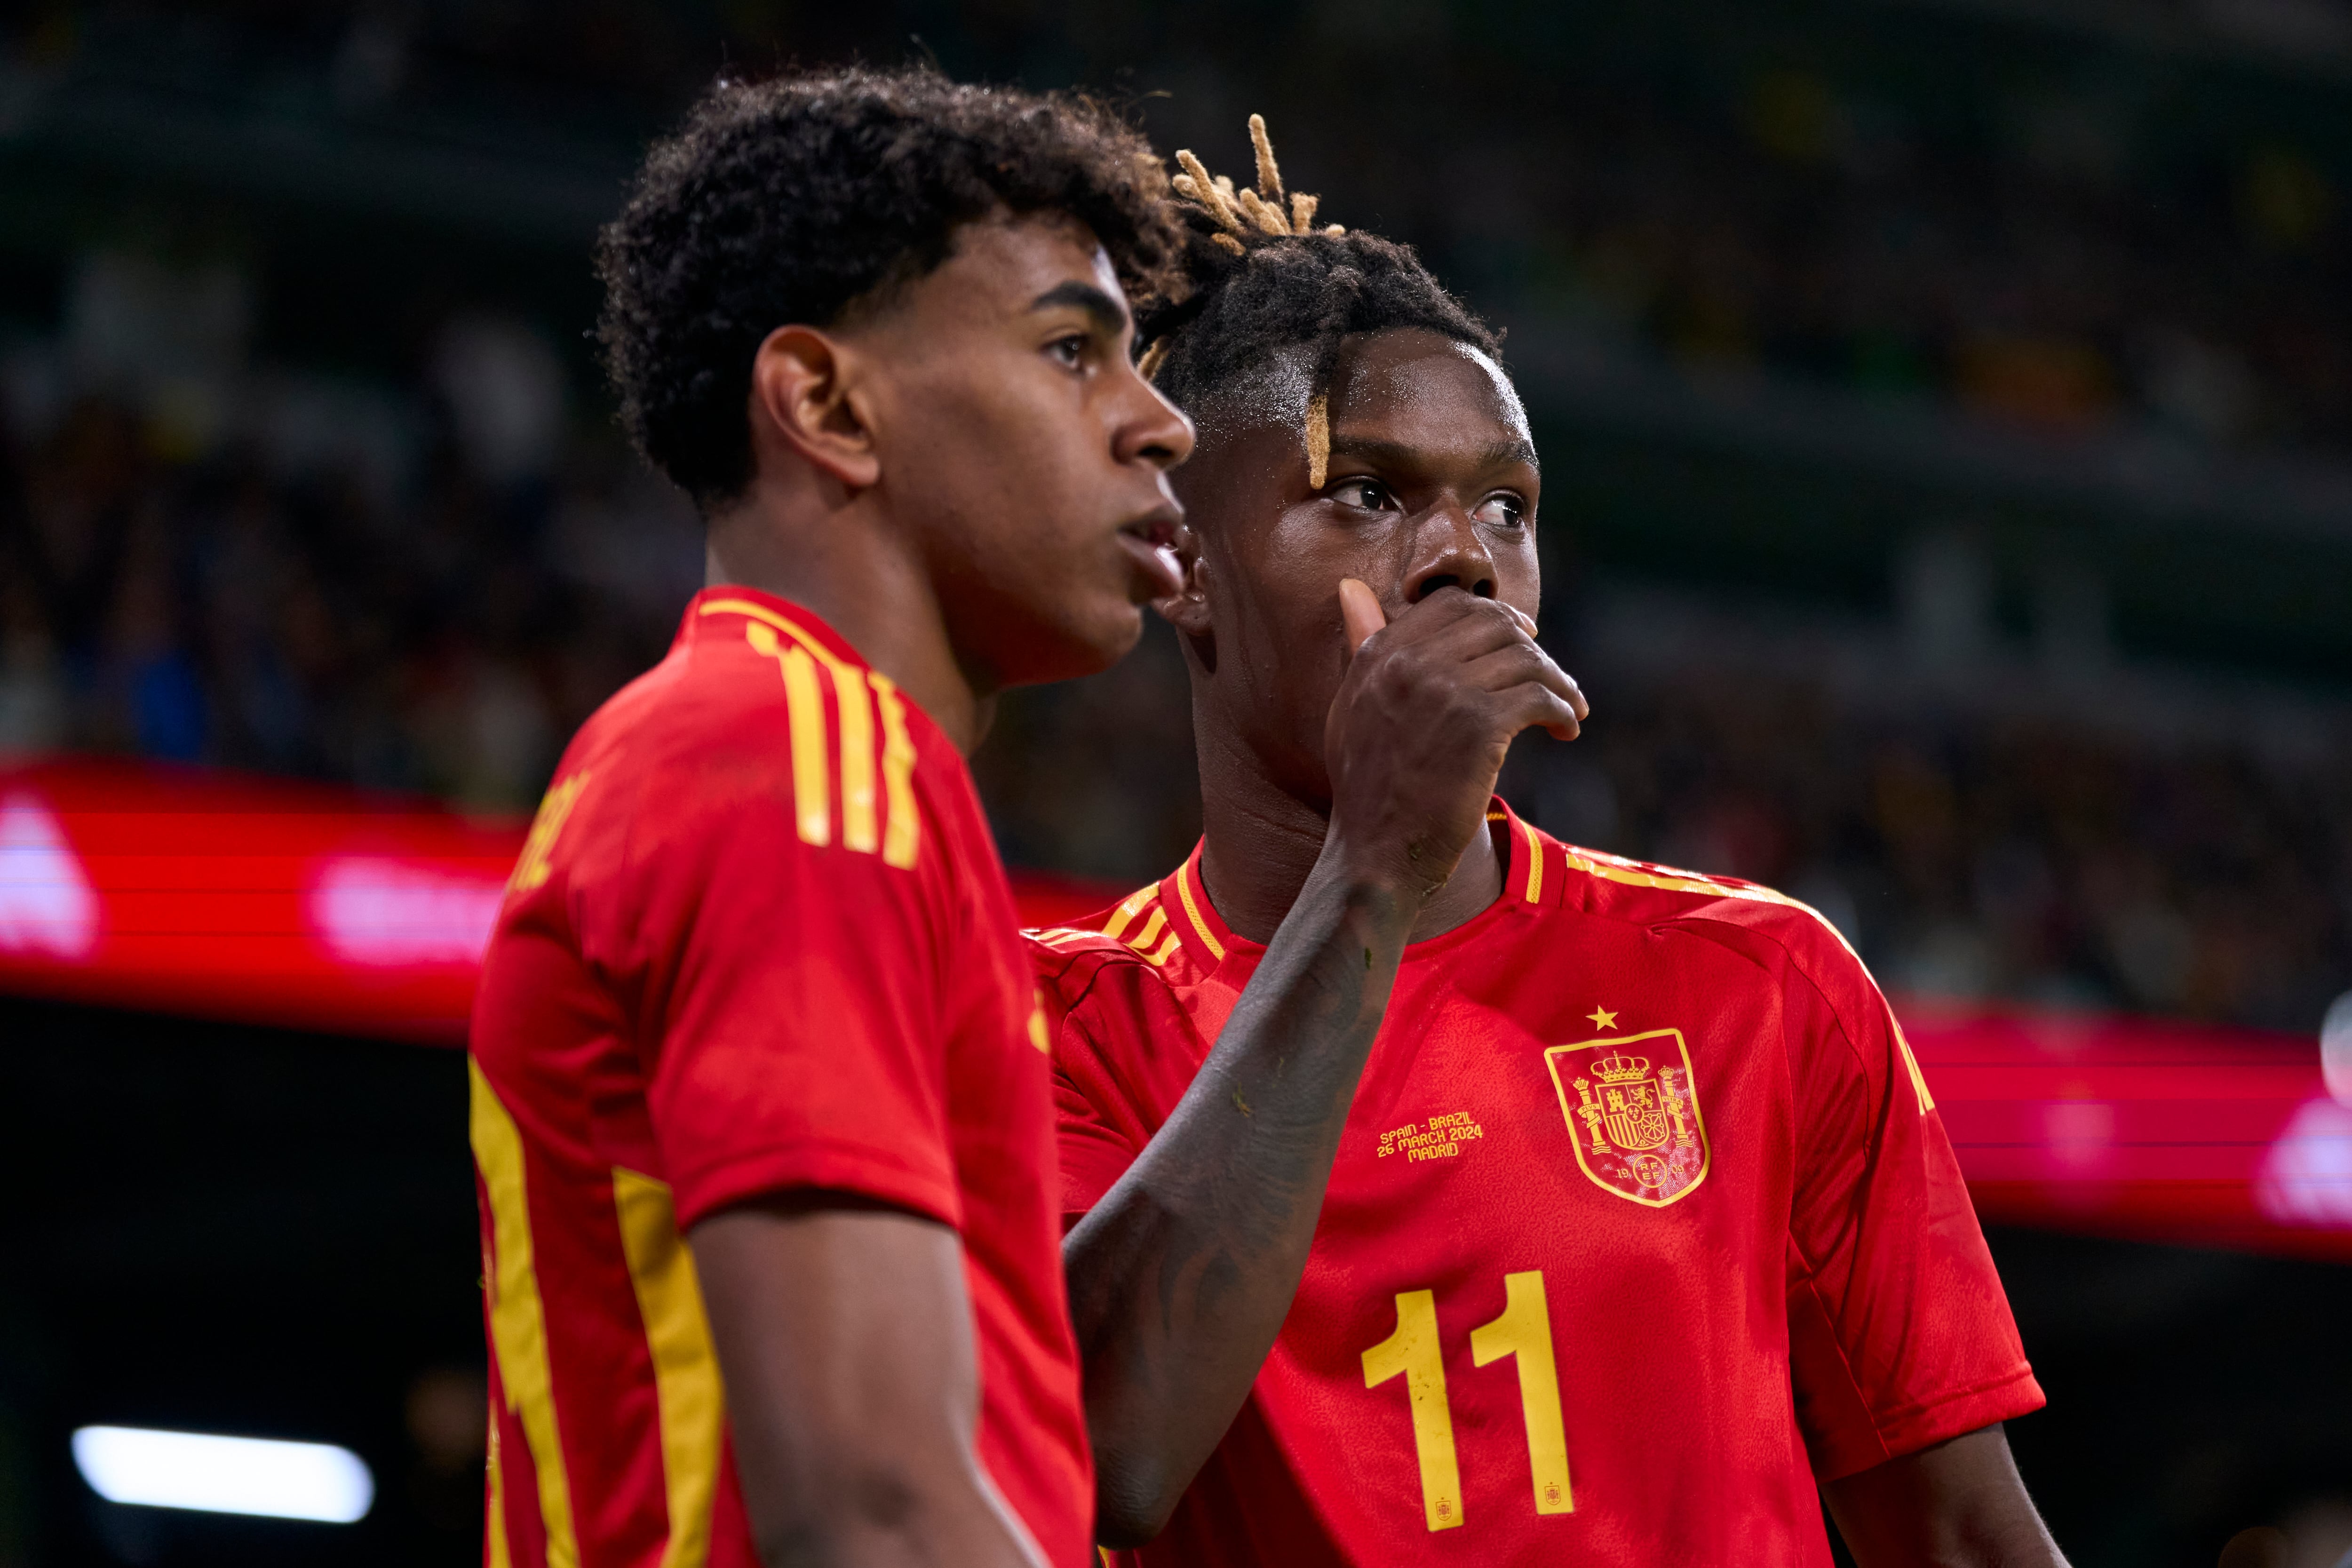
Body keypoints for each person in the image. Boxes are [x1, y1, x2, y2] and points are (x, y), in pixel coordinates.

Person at [1030, 120, 2066, 1568]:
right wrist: (1376, 872)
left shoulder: (1762, 984)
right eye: (1370, 494)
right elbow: (1106, 1458)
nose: (1463, 555)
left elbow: (1961, 1540)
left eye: (1506, 506)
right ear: (1186, 567)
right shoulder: (1056, 1024)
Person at [468, 67, 1194, 1568]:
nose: (1160, 425)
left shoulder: (784, 757)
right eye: (1074, 351)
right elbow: (872, 1513)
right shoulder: (796, 760)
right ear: (823, 404)